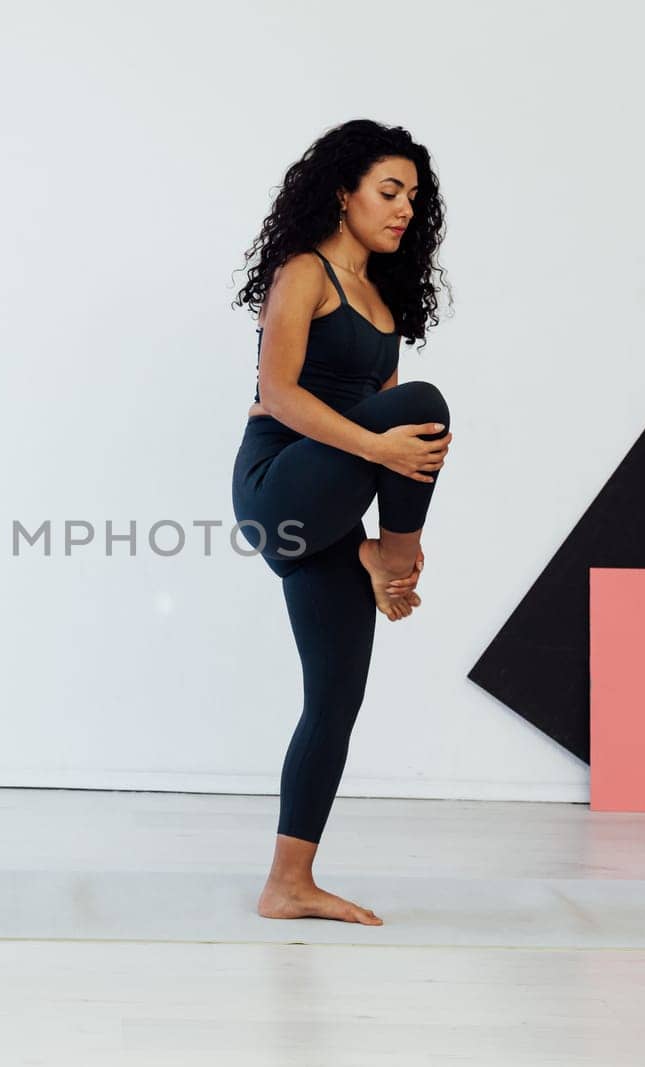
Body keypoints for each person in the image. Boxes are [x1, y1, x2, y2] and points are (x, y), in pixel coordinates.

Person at [230, 119, 453, 926]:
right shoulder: (304, 272)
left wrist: (381, 461)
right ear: (344, 192)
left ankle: (288, 881)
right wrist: (385, 467)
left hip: (324, 508)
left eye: (413, 199)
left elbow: (374, 434)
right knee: (421, 408)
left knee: (335, 698)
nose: (402, 210)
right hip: (272, 490)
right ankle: (395, 555)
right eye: (388, 192)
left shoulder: (383, 300)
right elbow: (281, 393)